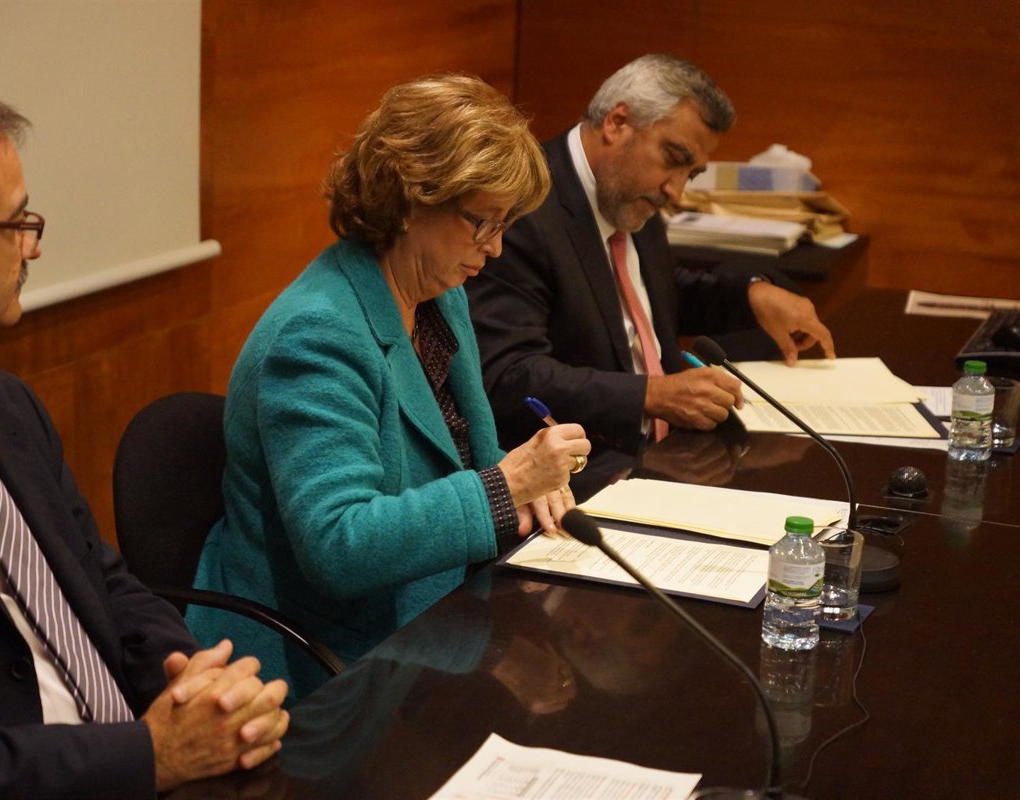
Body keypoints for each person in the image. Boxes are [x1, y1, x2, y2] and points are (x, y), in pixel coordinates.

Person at [0, 81, 287, 798]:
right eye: (18, 222)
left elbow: (99, 580)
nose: (33, 244)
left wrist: (195, 680)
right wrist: (149, 757)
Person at [186, 75, 591, 700]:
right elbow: (339, 545)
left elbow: (458, 455)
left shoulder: (439, 295)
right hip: (321, 668)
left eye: (506, 224)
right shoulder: (318, 334)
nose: (496, 248)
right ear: (408, 198)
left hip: (430, 625)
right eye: (481, 222)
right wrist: (506, 486)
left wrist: (530, 486)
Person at [466, 54, 836, 454]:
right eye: (673, 159)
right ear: (617, 122)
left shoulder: (628, 193)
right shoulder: (523, 208)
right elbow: (508, 375)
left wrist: (751, 294)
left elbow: (647, 293)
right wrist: (651, 395)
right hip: (585, 464)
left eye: (691, 173)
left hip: (668, 450)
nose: (676, 190)